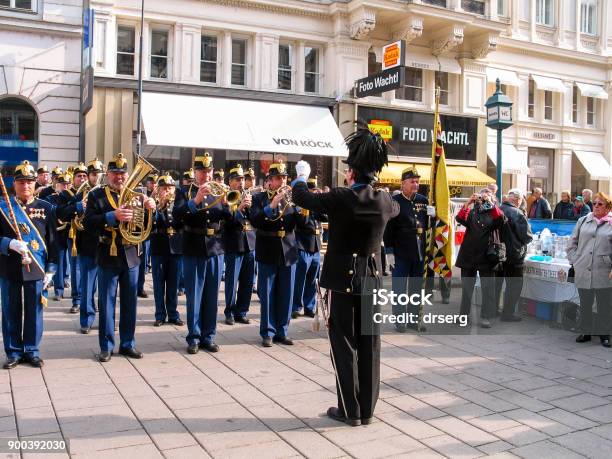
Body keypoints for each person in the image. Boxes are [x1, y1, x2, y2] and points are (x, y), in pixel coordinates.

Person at [291, 127, 399, 427]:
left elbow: (302, 197)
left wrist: (300, 175)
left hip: (343, 279)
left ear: (351, 172)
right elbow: (398, 208)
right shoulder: (385, 201)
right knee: (371, 342)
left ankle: (349, 409)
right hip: (373, 278)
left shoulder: (341, 197)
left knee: (344, 342)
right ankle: (367, 409)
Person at [83, 153, 156, 362]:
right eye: (115, 173)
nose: (120, 177)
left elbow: (148, 228)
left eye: (123, 173)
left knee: (130, 302)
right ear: (107, 174)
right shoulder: (97, 195)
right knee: (106, 302)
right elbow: (88, 224)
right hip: (108, 253)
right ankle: (106, 346)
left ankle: (127, 343)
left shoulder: (137, 195)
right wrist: (112, 216)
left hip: (132, 254)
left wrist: (152, 211)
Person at [1, 160, 58, 368]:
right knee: (10, 310)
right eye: (21, 182)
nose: (25, 186)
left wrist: (51, 270)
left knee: (34, 312)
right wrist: (9, 243)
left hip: (37, 268)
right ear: (14, 184)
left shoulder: (46, 208)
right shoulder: (3, 207)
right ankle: (14, 351)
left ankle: (32, 350)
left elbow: (53, 242)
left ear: (35, 184)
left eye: (29, 182)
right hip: (9, 267)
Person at [173, 153, 230, 354]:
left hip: (215, 248)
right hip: (193, 247)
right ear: (195, 172)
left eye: (209, 171)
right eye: (202, 171)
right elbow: (176, 218)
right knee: (194, 296)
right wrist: (195, 200)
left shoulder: (219, 191)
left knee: (212, 296)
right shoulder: (184, 191)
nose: (206, 175)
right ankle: (194, 337)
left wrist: (229, 205)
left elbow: (230, 220)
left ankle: (209, 336)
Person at [250, 162, 302, 347]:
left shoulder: (292, 198)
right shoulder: (259, 198)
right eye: (278, 178)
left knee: (286, 294)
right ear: (270, 181)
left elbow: (302, 224)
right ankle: (268, 332)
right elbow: (255, 221)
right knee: (268, 293)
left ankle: (283, 330)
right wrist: (271, 205)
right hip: (268, 249)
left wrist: (301, 210)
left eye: (284, 178)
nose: (282, 181)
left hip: (288, 249)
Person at [383, 166, 435, 332]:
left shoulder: (423, 200)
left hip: (419, 251)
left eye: (418, 181)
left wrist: (433, 218)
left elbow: (428, 226)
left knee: (416, 288)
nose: (416, 184)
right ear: (403, 183)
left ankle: (413, 320)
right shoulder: (395, 202)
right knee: (399, 288)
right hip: (401, 252)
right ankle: (400, 320)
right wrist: (389, 252)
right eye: (412, 181)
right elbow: (388, 230)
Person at [456, 188, 506, 328]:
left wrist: (491, 203)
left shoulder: (495, 212)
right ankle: (463, 315)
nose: (483, 199)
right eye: (482, 197)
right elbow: (460, 218)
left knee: (487, 288)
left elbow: (502, 220)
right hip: (469, 254)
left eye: (487, 196)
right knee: (467, 288)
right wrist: (468, 202)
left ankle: (485, 317)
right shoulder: (473, 211)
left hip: (487, 255)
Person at [568, 192, 612, 348]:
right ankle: (586, 331)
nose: (596, 206)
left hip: (604, 269)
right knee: (585, 302)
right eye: (595, 203)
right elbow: (572, 243)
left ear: (608, 206)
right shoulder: (583, 220)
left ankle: (605, 334)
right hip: (583, 267)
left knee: (604, 305)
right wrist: (575, 260)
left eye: (600, 204)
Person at [73, 158, 104, 334]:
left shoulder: (107, 193)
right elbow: (73, 215)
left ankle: (105, 319)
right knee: (87, 285)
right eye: (93, 174)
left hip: (106, 244)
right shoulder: (80, 194)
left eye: (99, 174)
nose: (96, 177)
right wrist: (80, 208)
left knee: (106, 287)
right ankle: (86, 319)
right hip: (86, 244)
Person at [223, 164, 255, 325]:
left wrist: (249, 208)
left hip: (249, 242)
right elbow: (226, 221)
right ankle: (229, 311)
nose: (240, 182)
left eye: (242, 179)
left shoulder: (248, 195)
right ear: (230, 182)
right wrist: (239, 208)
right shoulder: (226, 196)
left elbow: (254, 219)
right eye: (237, 180)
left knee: (247, 281)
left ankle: (242, 311)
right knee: (231, 280)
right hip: (233, 243)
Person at [150, 174, 184, 327]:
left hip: (175, 247)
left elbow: (180, 222)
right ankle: (159, 314)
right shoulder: (153, 204)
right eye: (164, 188)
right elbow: (151, 224)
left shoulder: (178, 204)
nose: (168, 191)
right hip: (159, 246)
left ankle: (173, 313)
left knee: (173, 284)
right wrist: (159, 207)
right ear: (158, 190)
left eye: (170, 188)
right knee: (158, 284)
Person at [54, 162, 88, 314]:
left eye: (84, 176)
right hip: (73, 235)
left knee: (93, 269)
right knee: (76, 269)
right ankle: (77, 300)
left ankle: (92, 300)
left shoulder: (92, 192)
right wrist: (78, 206)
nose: (82, 179)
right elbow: (61, 212)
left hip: (90, 235)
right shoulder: (66, 194)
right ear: (73, 179)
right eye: (79, 176)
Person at [292, 176, 326, 319]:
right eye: (311, 190)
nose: (314, 193)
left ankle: (309, 306)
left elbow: (325, 217)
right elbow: (302, 222)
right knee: (300, 279)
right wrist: (307, 205)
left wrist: (322, 202)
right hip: (303, 245)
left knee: (313, 279)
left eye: (314, 190)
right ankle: (296, 306)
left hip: (315, 247)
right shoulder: (300, 206)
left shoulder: (316, 206)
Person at [498, 189, 533, 321]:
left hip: (498, 253)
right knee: (514, 285)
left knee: (498, 284)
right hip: (514, 254)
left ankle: (494, 311)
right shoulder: (517, 213)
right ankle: (508, 313)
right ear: (518, 200)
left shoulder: (498, 210)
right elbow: (528, 236)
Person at [47, 174, 71, 302]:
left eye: (67, 184)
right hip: (59, 233)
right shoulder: (51, 198)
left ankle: (76, 293)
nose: (65, 186)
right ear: (57, 185)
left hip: (72, 232)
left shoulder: (73, 196)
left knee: (74, 264)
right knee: (60, 263)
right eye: (62, 184)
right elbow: (52, 212)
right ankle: (58, 291)